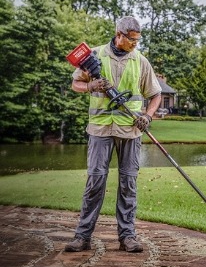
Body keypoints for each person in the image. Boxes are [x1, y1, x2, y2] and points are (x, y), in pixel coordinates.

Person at [64, 16, 162, 253]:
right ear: (119, 34)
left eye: (138, 40)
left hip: (130, 130)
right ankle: (82, 236)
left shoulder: (141, 61)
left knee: (128, 183)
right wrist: (90, 86)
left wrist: (147, 116)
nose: (136, 44)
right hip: (100, 129)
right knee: (95, 181)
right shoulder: (94, 56)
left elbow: (155, 95)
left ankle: (127, 236)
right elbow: (75, 84)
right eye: (132, 39)